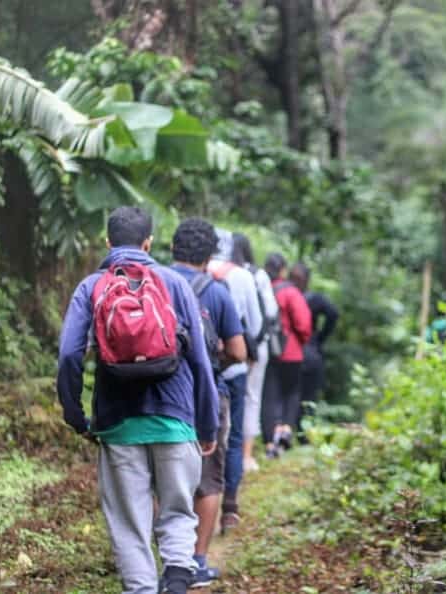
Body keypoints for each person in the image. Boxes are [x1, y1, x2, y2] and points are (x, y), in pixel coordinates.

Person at [57, 206, 219, 594]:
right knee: (178, 511)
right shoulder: (174, 284)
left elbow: (68, 356)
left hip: (118, 422)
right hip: (176, 418)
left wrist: (76, 415)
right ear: (149, 242)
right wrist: (207, 423)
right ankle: (179, 576)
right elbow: (199, 359)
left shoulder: (91, 286)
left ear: (108, 242)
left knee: (130, 524)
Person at [170, 219, 246, 588]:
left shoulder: (156, 282)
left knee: (158, 479)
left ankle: (165, 559)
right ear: (210, 254)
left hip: (158, 395)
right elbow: (238, 351)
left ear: (171, 249)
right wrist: (214, 360)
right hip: (207, 395)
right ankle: (197, 562)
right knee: (207, 480)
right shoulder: (216, 293)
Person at [207, 229, 262, 531]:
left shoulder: (199, 273)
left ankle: (195, 508)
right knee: (234, 436)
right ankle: (229, 506)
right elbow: (253, 325)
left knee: (201, 435)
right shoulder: (243, 277)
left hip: (200, 370)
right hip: (234, 370)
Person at [230, 233, 279, 473]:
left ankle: (226, 448)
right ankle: (246, 456)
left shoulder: (221, 271)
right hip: (256, 347)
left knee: (228, 397)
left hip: (228, 346)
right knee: (252, 397)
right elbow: (270, 311)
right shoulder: (258, 275)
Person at [261, 253, 312, 458]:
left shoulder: (262, 289)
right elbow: (304, 324)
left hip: (267, 350)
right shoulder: (290, 292)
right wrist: (301, 339)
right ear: (283, 270)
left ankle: (269, 441)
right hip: (290, 352)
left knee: (269, 395)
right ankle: (285, 432)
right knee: (291, 393)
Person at [289, 263, 339, 436]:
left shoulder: (285, 295)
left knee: (293, 394)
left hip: (292, 352)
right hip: (309, 352)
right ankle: (302, 433)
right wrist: (319, 338)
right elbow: (333, 313)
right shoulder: (312, 298)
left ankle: (293, 432)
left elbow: (333, 313)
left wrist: (319, 338)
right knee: (306, 396)